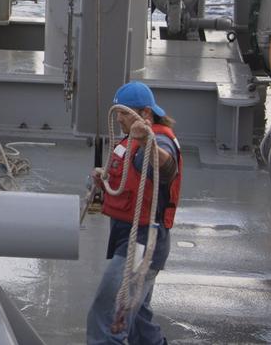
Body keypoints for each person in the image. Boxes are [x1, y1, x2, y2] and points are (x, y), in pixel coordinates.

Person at [86, 81, 182, 345]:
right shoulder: (130, 140)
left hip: (142, 243)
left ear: (146, 115)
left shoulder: (157, 140)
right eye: (117, 112)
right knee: (137, 318)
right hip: (126, 236)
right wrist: (104, 181)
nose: (118, 118)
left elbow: (166, 169)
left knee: (108, 316)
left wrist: (146, 142)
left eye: (125, 113)